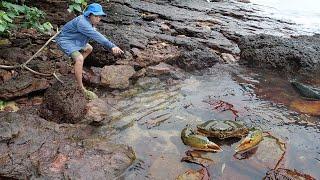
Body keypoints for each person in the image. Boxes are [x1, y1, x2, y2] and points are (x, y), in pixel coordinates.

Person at [55, 3, 123, 99]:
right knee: (79, 59)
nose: (98, 19)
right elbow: (98, 37)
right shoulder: (83, 23)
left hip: (76, 39)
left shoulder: (89, 22)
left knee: (89, 48)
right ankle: (81, 87)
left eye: (100, 16)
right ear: (89, 15)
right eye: (96, 16)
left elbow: (93, 33)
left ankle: (75, 68)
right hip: (65, 40)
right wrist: (112, 46)